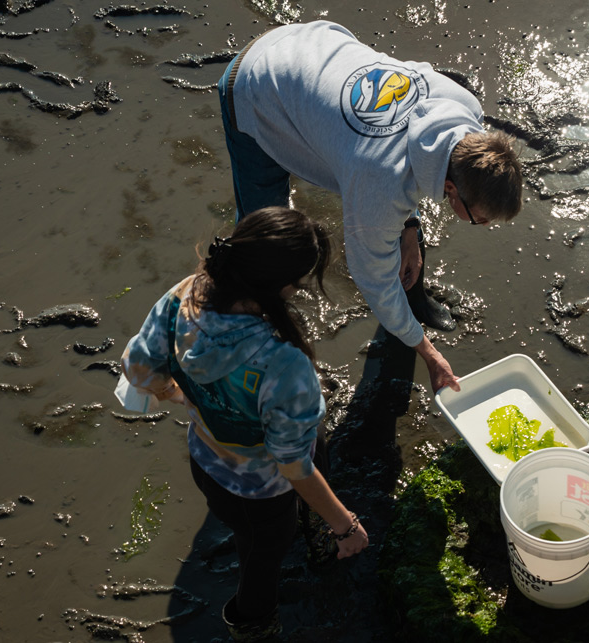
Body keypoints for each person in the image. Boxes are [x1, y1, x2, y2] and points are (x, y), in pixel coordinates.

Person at [217, 20, 523, 393]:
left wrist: (410, 228)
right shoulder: (381, 181)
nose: (482, 224)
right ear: (451, 190)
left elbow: (414, 152)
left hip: (315, 48)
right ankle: (256, 336)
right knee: (265, 242)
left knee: (400, 225)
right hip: (256, 85)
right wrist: (428, 353)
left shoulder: (464, 108)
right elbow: (373, 278)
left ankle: (414, 303)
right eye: (480, 219)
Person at [120, 207, 369, 641]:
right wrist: (346, 525)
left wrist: (190, 398)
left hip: (207, 462)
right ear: (283, 286)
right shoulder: (282, 361)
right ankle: (254, 626)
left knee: (294, 478)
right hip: (260, 491)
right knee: (260, 558)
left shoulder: (186, 295)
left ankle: (310, 525)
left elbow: (137, 368)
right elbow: (294, 466)